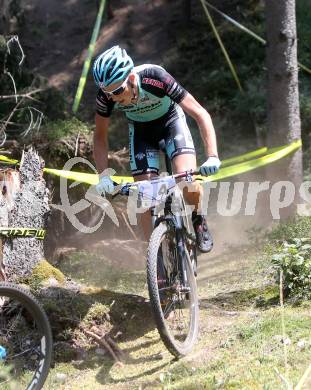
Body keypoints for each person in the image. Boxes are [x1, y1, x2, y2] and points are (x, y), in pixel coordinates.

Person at [92, 45, 221, 253]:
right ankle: (155, 256)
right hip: (142, 133)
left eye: (117, 91)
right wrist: (103, 176)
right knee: (143, 197)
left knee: (187, 182)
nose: (113, 98)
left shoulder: (155, 77)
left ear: (132, 79)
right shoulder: (106, 96)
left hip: (171, 123)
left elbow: (200, 113)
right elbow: (99, 138)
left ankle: (198, 218)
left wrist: (212, 156)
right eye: (108, 93)